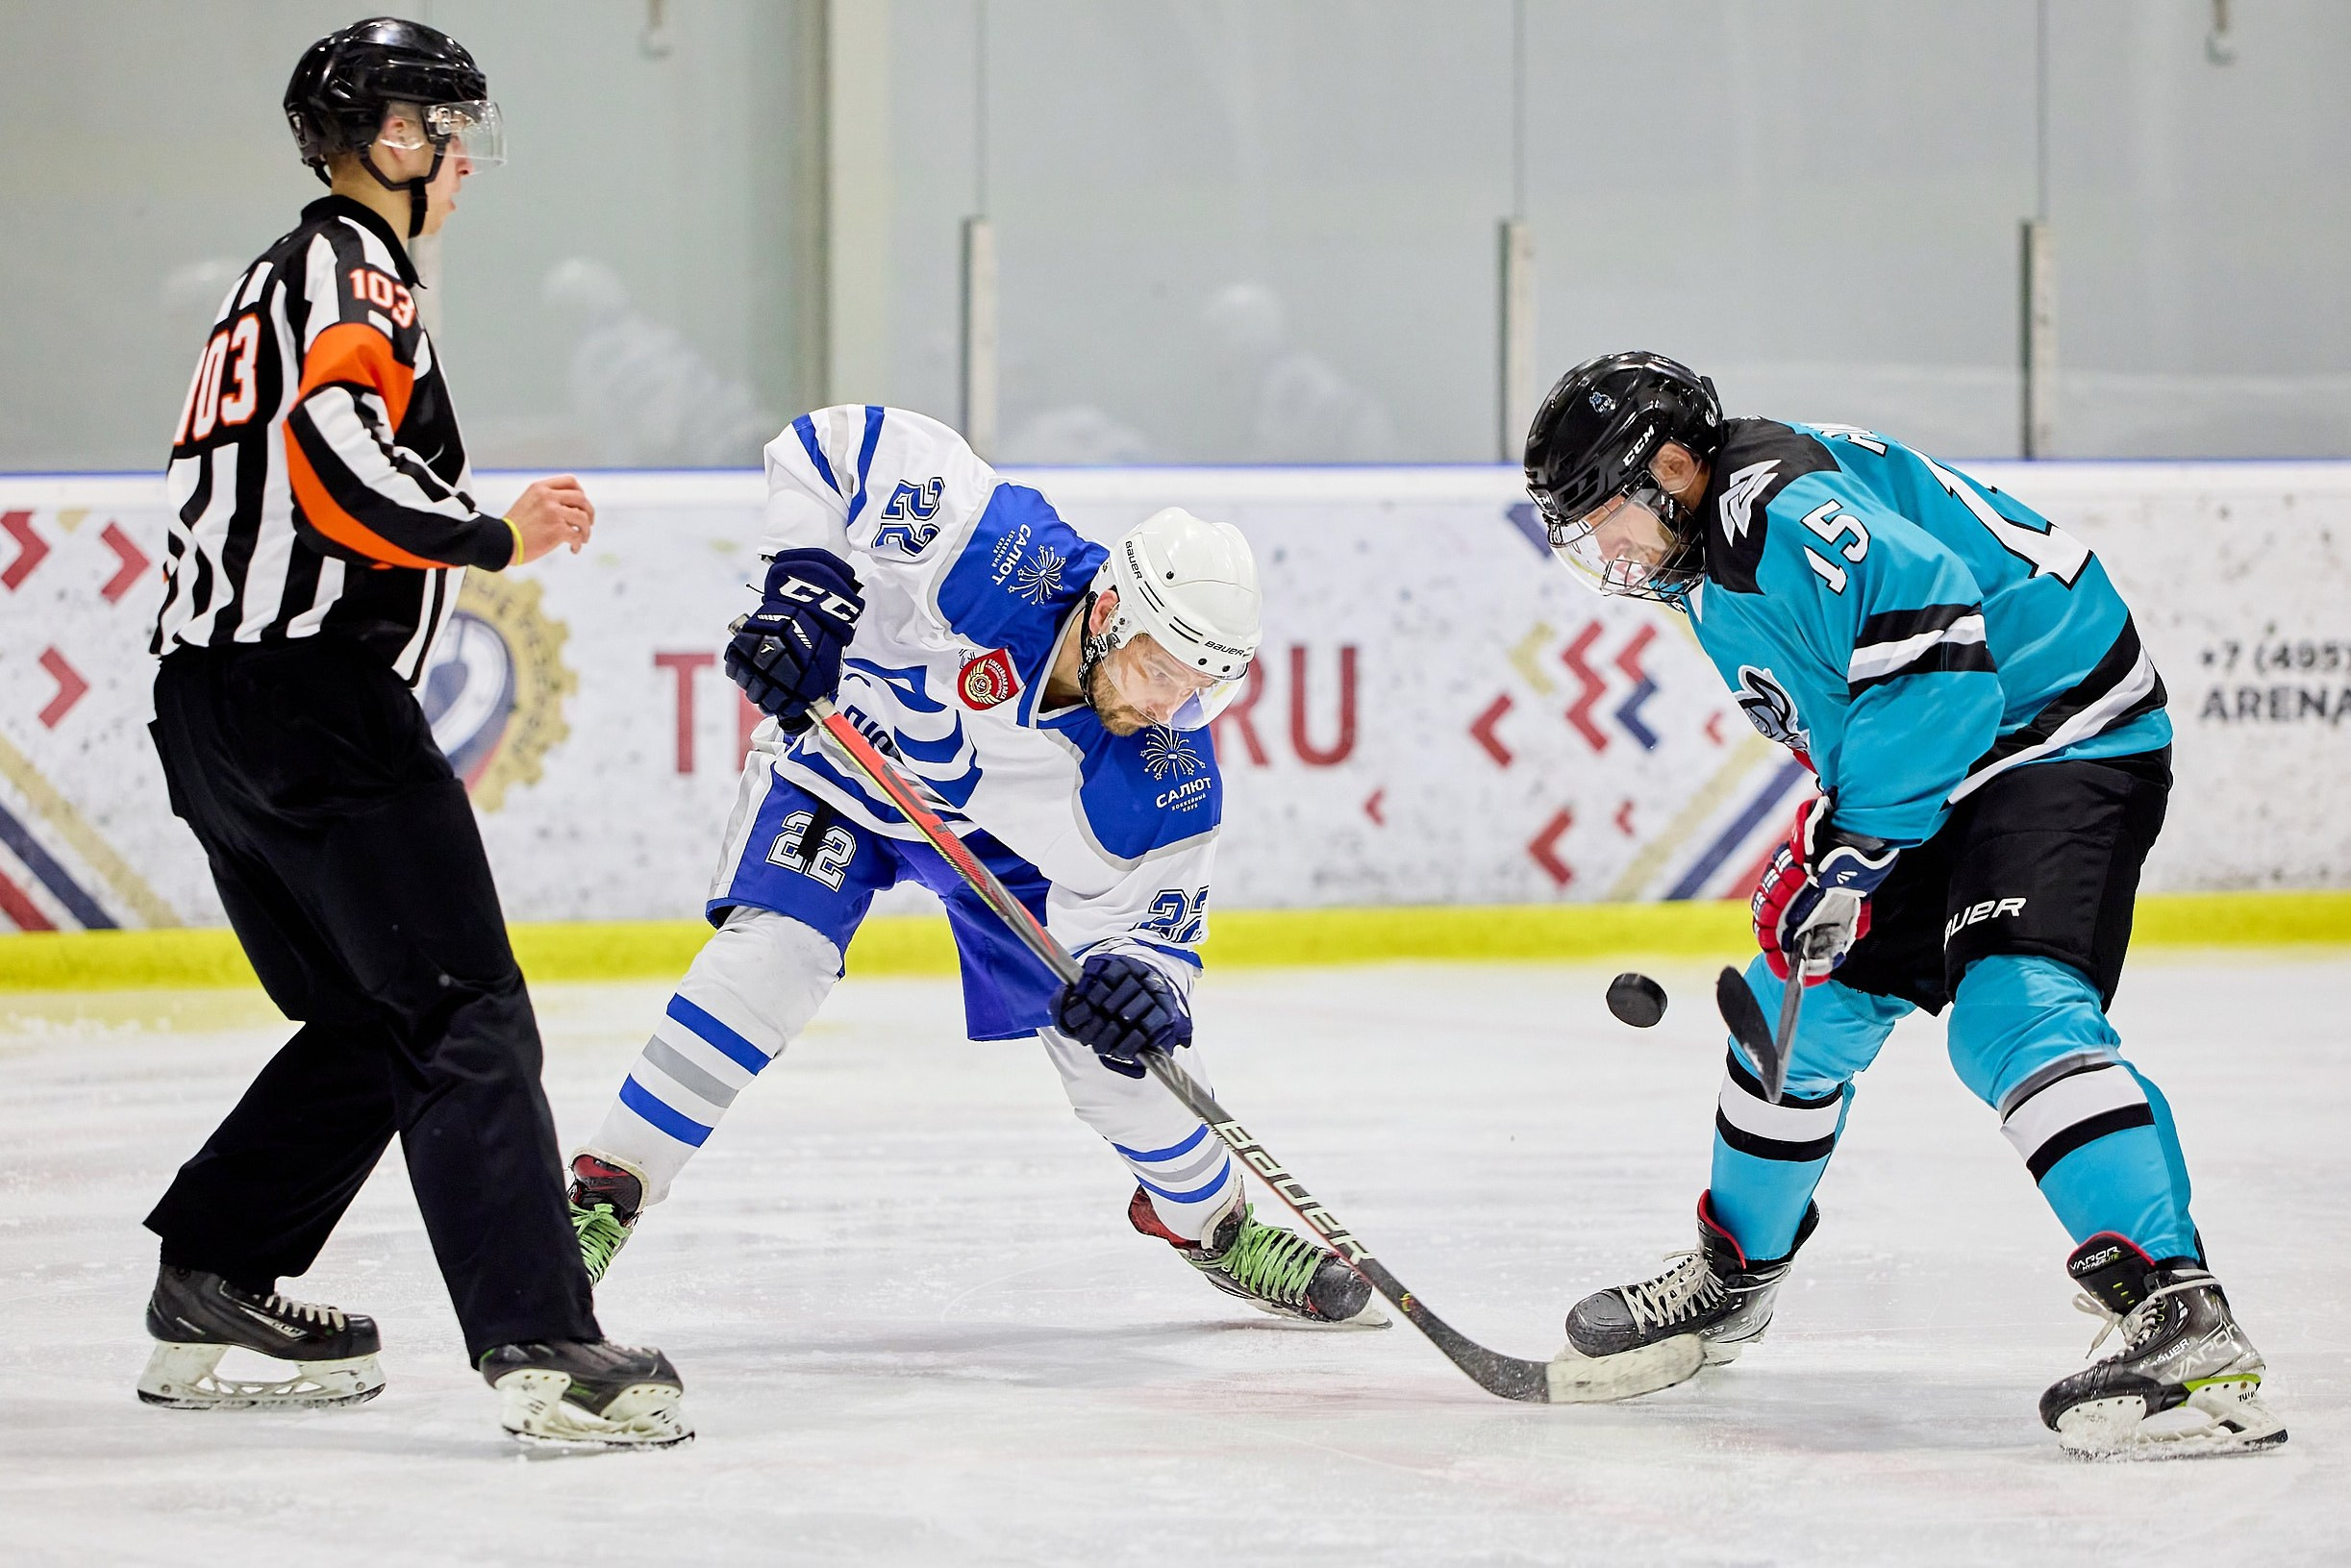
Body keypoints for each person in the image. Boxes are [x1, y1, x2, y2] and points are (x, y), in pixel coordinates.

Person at [1522, 352, 2282, 1458]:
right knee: (1801, 1003)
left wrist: (1857, 846)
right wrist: (1834, 839)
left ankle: (2180, 1311)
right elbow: (1864, 701)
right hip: (1960, 754)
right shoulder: (1707, 566)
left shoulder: (1782, 507)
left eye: (1605, 519)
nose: (1606, 552)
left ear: (1673, 467)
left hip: (2057, 732)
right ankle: (1735, 1279)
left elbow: (1943, 663)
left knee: (2010, 1005)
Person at [138, 17, 686, 1448]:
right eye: (447, 130)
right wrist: (497, 529)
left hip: (207, 705)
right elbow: (332, 458)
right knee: (461, 1005)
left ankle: (214, 1273)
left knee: (369, 1018)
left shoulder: (280, 275)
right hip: (311, 698)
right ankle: (546, 1341)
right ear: (390, 137)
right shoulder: (352, 270)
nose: (461, 162)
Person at [563, 404, 1387, 1331]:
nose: (1172, 707)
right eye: (1162, 670)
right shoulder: (999, 556)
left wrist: (1140, 982)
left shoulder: (1159, 778)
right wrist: (802, 591)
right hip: (845, 769)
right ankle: (604, 1192)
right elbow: (825, 447)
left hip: (1008, 853)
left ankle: (1212, 1224)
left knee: (1111, 1051)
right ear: (1109, 610)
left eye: (1201, 686)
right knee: (772, 957)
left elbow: (1153, 935)